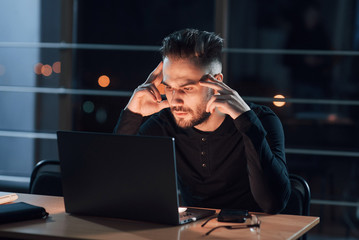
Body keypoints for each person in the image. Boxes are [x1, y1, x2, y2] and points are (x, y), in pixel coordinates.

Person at [114, 29, 291, 214]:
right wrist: (132, 114)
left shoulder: (260, 120)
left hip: (255, 231)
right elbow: (115, 180)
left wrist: (246, 122)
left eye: (187, 88)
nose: (176, 100)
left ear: (216, 83)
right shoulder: (165, 123)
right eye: (170, 88)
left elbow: (273, 203)